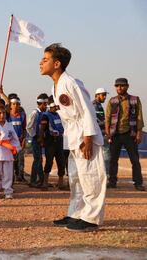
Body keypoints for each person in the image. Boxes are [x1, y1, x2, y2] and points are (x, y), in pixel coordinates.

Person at [40, 43, 106, 232]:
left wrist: (88, 139)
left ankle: (92, 217)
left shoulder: (71, 83)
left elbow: (87, 111)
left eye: (45, 59)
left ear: (57, 64)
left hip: (85, 135)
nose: (40, 63)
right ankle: (76, 213)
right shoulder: (56, 85)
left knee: (91, 175)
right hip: (73, 135)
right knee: (76, 177)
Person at [105, 78, 145, 191]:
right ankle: (112, 182)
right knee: (113, 160)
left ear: (127, 86)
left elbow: (139, 118)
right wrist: (108, 134)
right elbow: (107, 118)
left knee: (135, 160)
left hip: (130, 134)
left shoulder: (135, 100)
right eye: (117, 86)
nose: (119, 88)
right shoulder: (112, 101)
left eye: (122, 86)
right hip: (115, 135)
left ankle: (138, 183)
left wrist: (139, 134)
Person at [0, 105, 21, 199]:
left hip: (7, 151)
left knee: (8, 174)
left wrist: (15, 148)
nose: (2, 115)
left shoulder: (9, 125)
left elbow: (15, 138)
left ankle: (8, 191)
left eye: (4, 113)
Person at [39, 102, 67, 191]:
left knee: (61, 161)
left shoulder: (59, 115)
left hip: (59, 141)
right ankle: (45, 183)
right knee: (49, 162)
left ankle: (61, 183)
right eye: (55, 106)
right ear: (50, 106)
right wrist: (41, 139)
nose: (56, 108)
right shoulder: (46, 116)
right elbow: (42, 128)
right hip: (50, 141)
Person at [26, 93, 49, 187]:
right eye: (45, 104)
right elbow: (29, 127)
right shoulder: (35, 113)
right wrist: (35, 136)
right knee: (37, 160)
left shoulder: (45, 113)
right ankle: (33, 180)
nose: (46, 106)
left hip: (43, 139)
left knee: (40, 160)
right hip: (36, 139)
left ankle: (41, 180)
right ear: (40, 103)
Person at [92, 88, 110, 177]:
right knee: (106, 153)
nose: (105, 97)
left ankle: (101, 174)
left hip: (100, 133)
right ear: (97, 95)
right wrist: (108, 122)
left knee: (100, 155)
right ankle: (106, 175)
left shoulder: (98, 105)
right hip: (98, 134)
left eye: (105, 95)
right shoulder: (95, 105)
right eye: (103, 95)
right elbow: (96, 121)